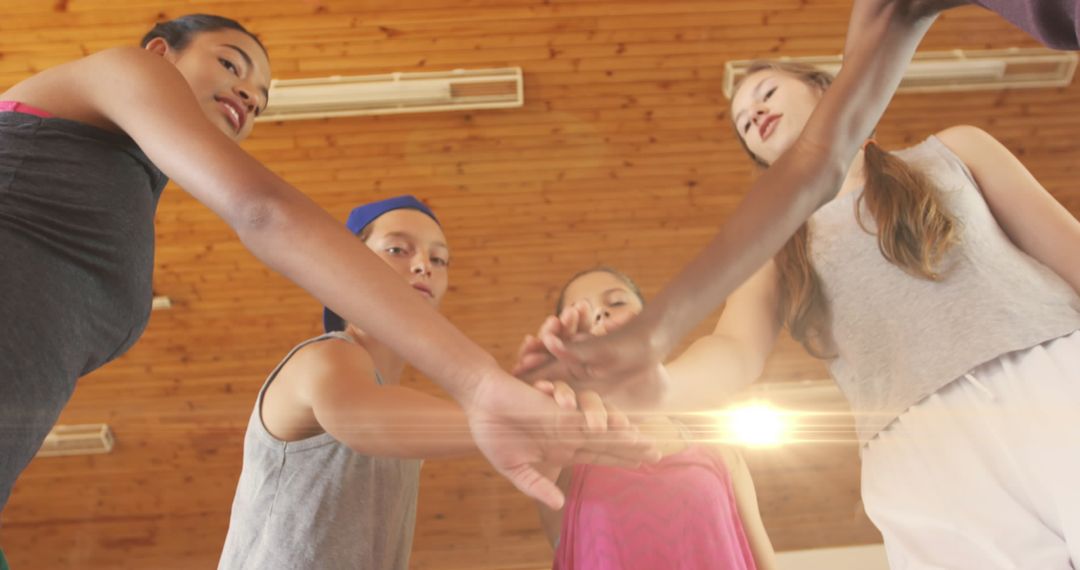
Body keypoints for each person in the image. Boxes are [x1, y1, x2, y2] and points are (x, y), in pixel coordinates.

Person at [0, 13, 652, 526]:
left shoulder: (116, 190)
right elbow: (263, 211)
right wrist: (479, 389)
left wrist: (511, 394)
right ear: (158, 54)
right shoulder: (117, 72)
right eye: (231, 64)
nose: (249, 95)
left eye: (260, 96)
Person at [525, 59, 1080, 568]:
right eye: (744, 122)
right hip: (915, 448)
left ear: (827, 89)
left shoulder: (957, 150)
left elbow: (1069, 251)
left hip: (1051, 382)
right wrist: (654, 384)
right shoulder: (774, 242)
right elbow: (734, 350)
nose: (756, 113)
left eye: (765, 93)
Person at [218, 197, 648, 570]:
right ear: (344, 261)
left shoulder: (404, 410)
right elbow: (361, 414)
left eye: (438, 258)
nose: (423, 264)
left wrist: (529, 396)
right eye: (397, 249)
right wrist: (516, 417)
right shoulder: (324, 357)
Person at [532, 267, 776, 570]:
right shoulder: (564, 459)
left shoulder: (723, 456)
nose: (600, 315)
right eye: (580, 313)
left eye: (617, 302)